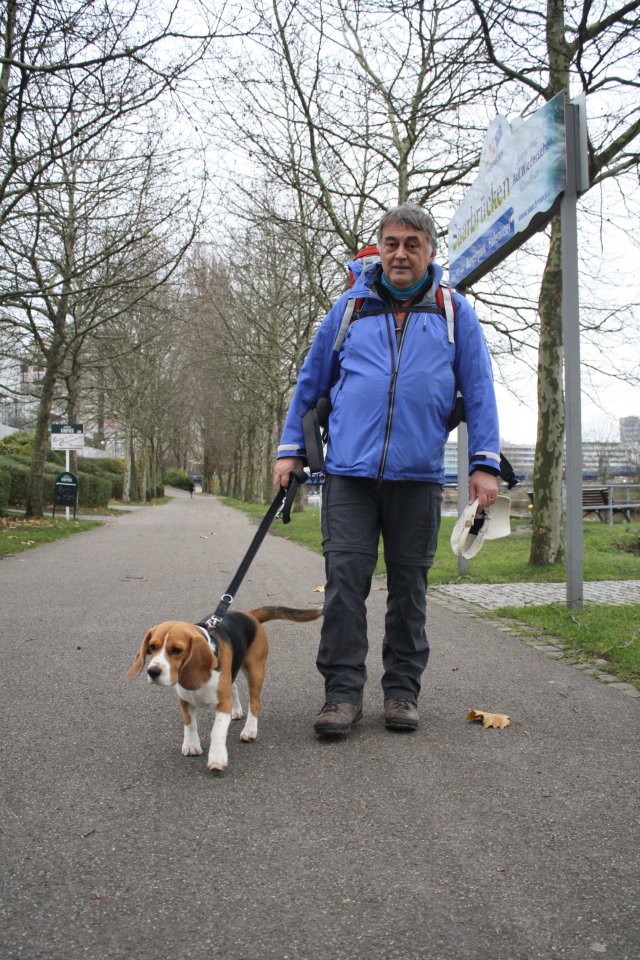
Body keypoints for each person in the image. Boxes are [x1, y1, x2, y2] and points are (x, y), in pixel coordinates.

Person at [273, 203, 500, 736]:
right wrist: (290, 450)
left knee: (409, 590)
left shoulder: (453, 311)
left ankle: (401, 693)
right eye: (392, 243)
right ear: (379, 248)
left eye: (412, 244)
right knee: (344, 584)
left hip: (418, 476)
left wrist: (484, 464)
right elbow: (311, 384)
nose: (401, 253)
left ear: (430, 252)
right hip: (350, 475)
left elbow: (482, 391)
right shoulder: (349, 307)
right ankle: (341, 696)